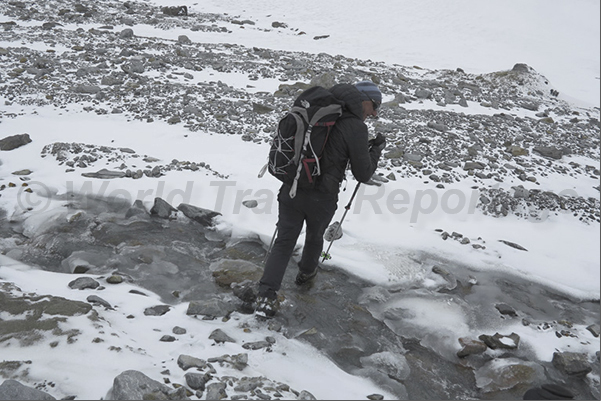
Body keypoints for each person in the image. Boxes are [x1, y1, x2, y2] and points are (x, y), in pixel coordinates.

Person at [255, 80, 386, 318]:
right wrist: (376, 149)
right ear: (363, 100)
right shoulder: (355, 126)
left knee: (284, 240)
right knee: (315, 237)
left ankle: (265, 296)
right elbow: (363, 173)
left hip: (292, 187)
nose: (375, 112)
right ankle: (305, 277)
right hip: (322, 197)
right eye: (375, 105)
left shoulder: (317, 112)